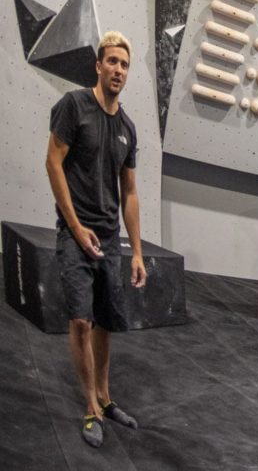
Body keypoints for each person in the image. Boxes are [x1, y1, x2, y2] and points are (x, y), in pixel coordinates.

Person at [44, 31, 146, 449]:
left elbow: (131, 193)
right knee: (81, 320)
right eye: (112, 62)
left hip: (109, 237)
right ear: (98, 65)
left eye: (124, 64)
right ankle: (89, 407)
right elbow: (52, 162)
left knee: (105, 323)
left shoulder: (128, 128)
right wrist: (74, 225)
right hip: (75, 232)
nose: (118, 70)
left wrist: (136, 250)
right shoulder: (73, 105)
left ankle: (105, 399)